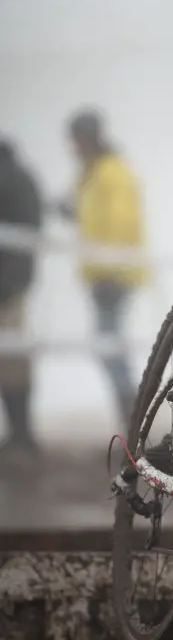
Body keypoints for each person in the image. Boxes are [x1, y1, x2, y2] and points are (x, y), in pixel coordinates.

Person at [61, 107, 147, 426]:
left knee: (110, 348)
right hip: (105, 273)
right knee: (109, 347)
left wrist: (112, 266)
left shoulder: (109, 171)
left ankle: (133, 419)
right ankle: (131, 420)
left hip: (113, 275)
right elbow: (90, 213)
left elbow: (123, 222)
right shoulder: (93, 172)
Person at [0, 138, 42, 462]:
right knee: (13, 359)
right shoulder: (20, 175)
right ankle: (21, 434)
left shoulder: (11, 177)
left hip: (8, 286)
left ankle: (21, 435)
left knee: (12, 359)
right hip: (13, 282)